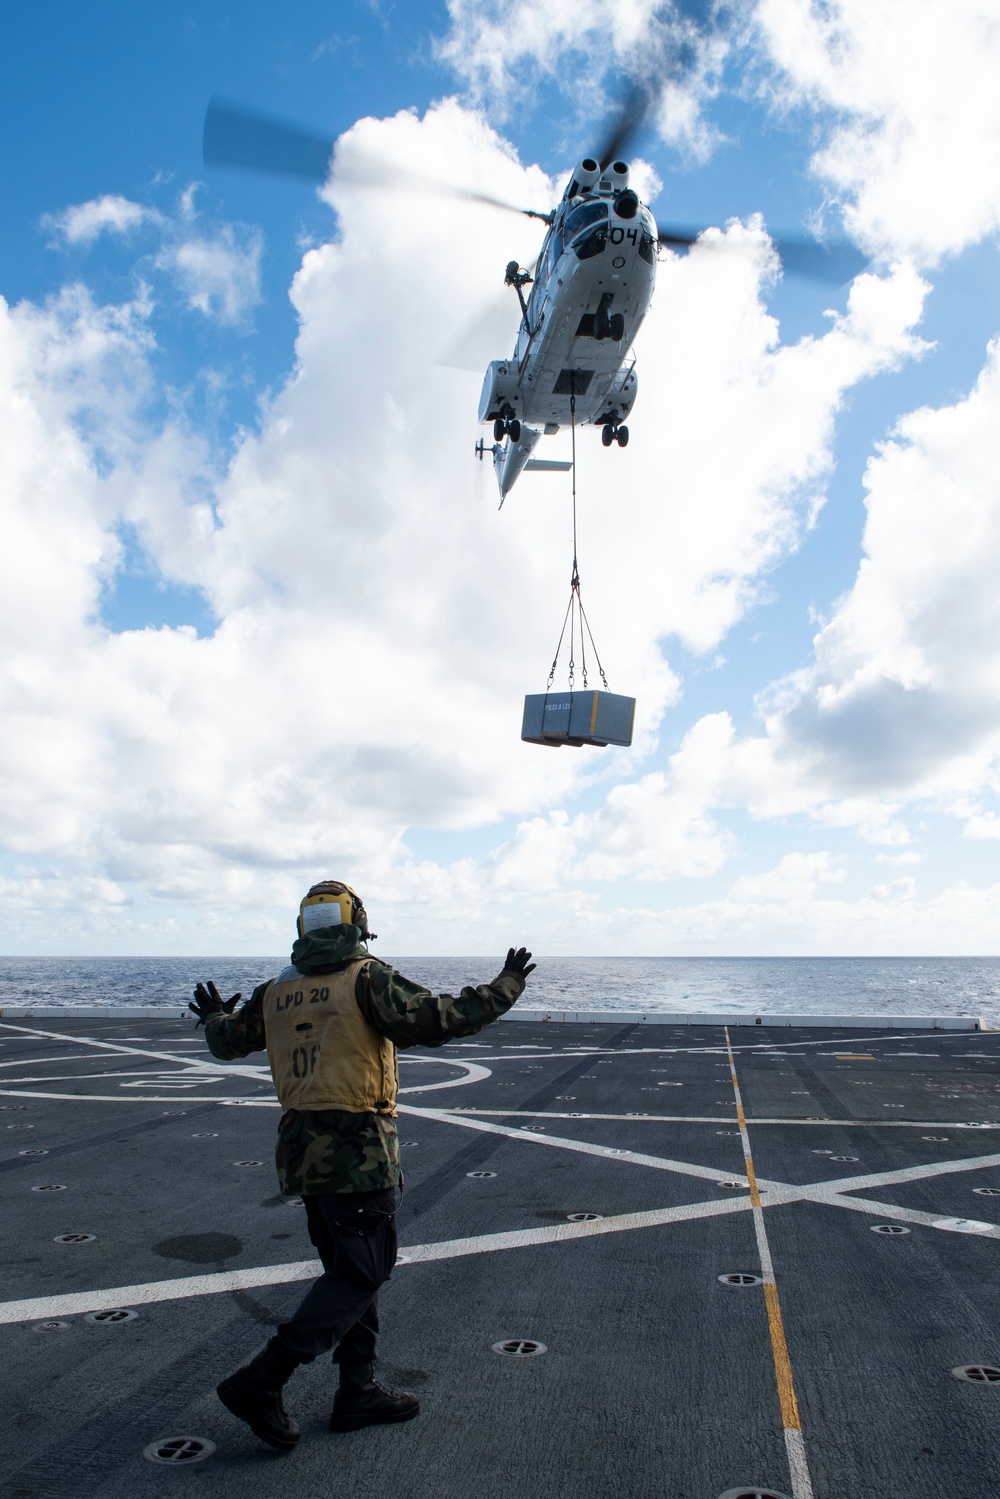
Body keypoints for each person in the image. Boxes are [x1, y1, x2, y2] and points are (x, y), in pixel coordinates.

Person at [190, 879, 535, 1453]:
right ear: (358, 922)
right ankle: (263, 1380)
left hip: (300, 1149)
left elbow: (229, 1042)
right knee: (362, 1272)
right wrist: (508, 985)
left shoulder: (275, 989)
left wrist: (212, 1019)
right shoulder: (366, 977)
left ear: (304, 926)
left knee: (350, 1272)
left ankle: (357, 1390)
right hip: (357, 1148)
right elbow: (443, 1018)